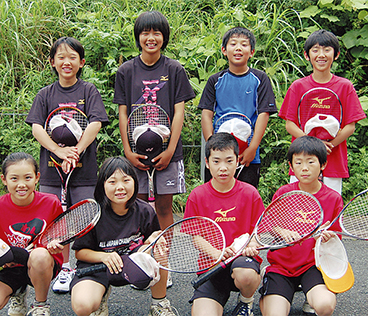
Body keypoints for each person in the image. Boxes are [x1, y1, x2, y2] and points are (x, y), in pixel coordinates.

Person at [26, 36, 109, 293]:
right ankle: (61, 268)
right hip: (52, 173)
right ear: (52, 62)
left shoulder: (88, 91)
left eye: (72, 57)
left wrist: (76, 152)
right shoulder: (45, 94)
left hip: (84, 174)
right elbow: (37, 127)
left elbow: (95, 123)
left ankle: (82, 269)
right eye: (61, 57)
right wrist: (58, 151)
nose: (66, 62)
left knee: (83, 220)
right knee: (55, 222)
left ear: (81, 62)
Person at [114, 11, 195, 232]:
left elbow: (179, 112)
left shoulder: (174, 69)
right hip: (136, 152)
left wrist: (170, 150)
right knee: (136, 205)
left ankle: (164, 265)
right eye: (145, 33)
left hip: (168, 153)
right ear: (138, 37)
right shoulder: (126, 71)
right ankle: (139, 261)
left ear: (164, 37)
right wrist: (128, 151)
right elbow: (123, 113)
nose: (151, 38)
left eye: (156, 33)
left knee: (164, 208)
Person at [70, 156, 178, 316]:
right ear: (102, 185)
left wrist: (155, 238)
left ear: (134, 182)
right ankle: (99, 299)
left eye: (126, 180)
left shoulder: (145, 211)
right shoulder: (92, 214)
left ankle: (159, 304)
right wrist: (104, 257)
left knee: (159, 251)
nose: (120, 187)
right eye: (112, 182)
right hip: (98, 267)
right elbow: (80, 252)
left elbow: (150, 240)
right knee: (82, 306)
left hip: (131, 263)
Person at [259, 136, 343, 316]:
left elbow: (336, 240)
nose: (304, 168)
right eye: (298, 162)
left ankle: (311, 295)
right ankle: (269, 279)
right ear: (291, 166)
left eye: (311, 162)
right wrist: (281, 230)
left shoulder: (333, 198)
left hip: (313, 266)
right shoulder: (284, 193)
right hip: (282, 266)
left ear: (323, 165)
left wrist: (327, 237)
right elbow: (267, 224)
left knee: (325, 305)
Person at [184, 132, 265, 316]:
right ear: (207, 162)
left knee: (245, 275)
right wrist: (218, 253)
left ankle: (246, 301)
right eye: (216, 161)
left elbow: (257, 234)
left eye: (229, 161)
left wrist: (251, 246)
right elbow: (196, 238)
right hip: (212, 265)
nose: (223, 168)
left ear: (237, 161)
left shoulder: (250, 194)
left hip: (242, 262)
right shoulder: (197, 196)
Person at [0, 152, 64, 316]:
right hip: (8, 268)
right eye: (14, 178)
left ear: (37, 177)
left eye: (28, 178)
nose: (21, 184)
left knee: (39, 256)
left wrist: (55, 244)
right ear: (4, 179)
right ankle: (18, 292)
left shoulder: (51, 203)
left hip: (41, 265)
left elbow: (60, 237)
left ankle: (40, 305)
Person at [278, 29, 366, 195]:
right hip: (302, 157)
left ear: (336, 54)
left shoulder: (344, 86)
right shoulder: (298, 86)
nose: (321, 55)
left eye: (327, 50)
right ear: (307, 55)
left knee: (331, 207)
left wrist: (329, 145)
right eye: (316, 50)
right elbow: (290, 124)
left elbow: (350, 125)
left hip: (333, 157)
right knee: (299, 206)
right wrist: (313, 145)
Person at [199, 26, 277, 188]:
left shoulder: (260, 79)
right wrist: (212, 146)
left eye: (244, 44)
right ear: (224, 50)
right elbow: (206, 115)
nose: (238, 48)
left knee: (245, 200)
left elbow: (264, 114)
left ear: (252, 51)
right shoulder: (215, 80)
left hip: (248, 156)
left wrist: (252, 148)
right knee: (216, 200)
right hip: (219, 154)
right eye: (233, 44)